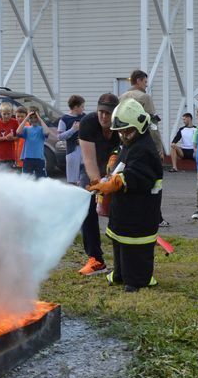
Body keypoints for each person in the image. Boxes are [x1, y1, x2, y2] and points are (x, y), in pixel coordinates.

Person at [87, 98, 163, 292]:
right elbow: (120, 151)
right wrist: (113, 159)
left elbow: (139, 175)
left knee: (135, 249)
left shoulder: (145, 149)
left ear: (138, 126)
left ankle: (137, 280)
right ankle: (120, 274)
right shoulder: (131, 140)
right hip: (124, 209)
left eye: (126, 131)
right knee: (120, 243)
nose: (122, 135)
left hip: (140, 210)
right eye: (120, 132)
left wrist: (116, 182)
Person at [75, 94, 120, 275]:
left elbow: (124, 156)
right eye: (100, 112)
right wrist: (96, 186)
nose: (103, 117)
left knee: (119, 211)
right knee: (86, 206)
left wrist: (110, 183)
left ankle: (123, 259)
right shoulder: (88, 123)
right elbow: (89, 159)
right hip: (93, 169)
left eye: (108, 113)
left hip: (117, 169)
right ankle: (96, 259)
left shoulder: (123, 124)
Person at [120, 69, 168, 169]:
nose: (146, 85)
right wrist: (158, 147)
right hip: (142, 143)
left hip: (124, 143)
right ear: (139, 81)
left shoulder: (120, 98)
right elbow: (153, 124)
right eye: (145, 82)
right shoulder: (145, 97)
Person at [18, 105, 55, 177]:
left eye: (35, 117)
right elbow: (18, 132)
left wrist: (40, 119)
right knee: (26, 179)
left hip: (39, 159)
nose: (33, 119)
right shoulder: (26, 129)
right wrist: (26, 118)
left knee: (41, 179)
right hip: (27, 159)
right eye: (31, 118)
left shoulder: (41, 129)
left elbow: (47, 132)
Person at [58, 95, 86, 186]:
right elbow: (60, 137)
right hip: (72, 152)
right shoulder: (64, 119)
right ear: (75, 107)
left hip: (85, 151)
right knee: (73, 181)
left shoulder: (84, 117)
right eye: (82, 106)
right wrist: (73, 129)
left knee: (84, 178)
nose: (83, 109)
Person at [0, 102, 20, 168]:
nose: (6, 116)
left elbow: (18, 138)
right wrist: (5, 138)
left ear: (12, 112)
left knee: (9, 176)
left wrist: (12, 138)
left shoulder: (15, 122)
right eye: (4, 114)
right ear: (0, 112)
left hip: (10, 155)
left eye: (8, 114)